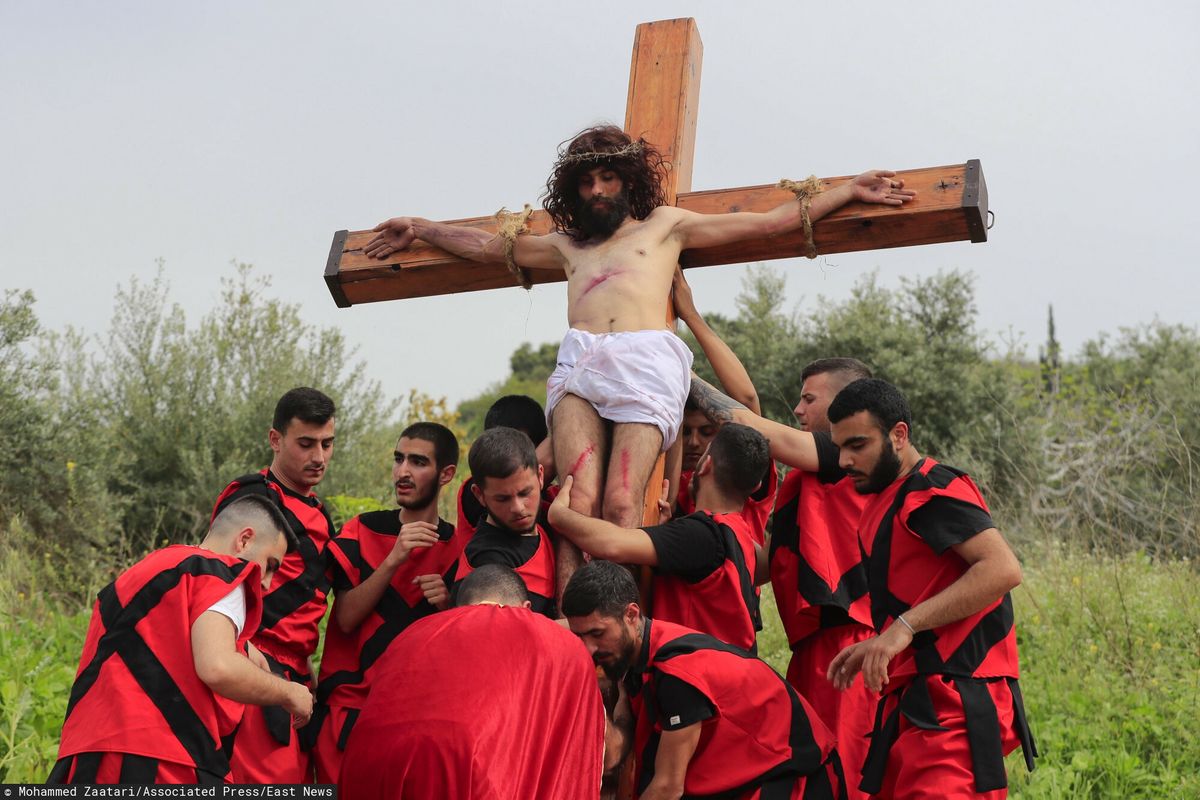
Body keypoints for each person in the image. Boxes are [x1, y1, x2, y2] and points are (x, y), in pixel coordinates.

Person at [366, 124, 916, 559]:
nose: (598, 189)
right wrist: (421, 227)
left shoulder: (666, 227)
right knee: (576, 500)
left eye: (608, 177)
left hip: (645, 362)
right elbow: (490, 249)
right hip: (581, 364)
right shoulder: (567, 246)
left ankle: (611, 626)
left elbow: (769, 223)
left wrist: (847, 191)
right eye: (586, 182)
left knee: (622, 501)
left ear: (627, 179)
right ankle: (570, 626)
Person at [825, 379, 1036, 798]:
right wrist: (879, 640)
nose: (845, 460)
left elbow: (1003, 568)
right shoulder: (887, 499)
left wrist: (902, 627)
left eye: (858, 445)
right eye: (840, 448)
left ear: (899, 435)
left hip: (957, 700)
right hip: (915, 702)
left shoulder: (931, 490)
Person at [49, 495, 313, 785]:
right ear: (245, 541)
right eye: (271, 564)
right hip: (165, 760)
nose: (266, 582)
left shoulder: (142, 573)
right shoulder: (222, 572)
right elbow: (218, 667)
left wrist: (244, 647)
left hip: (83, 757)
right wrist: (290, 693)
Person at [563, 560, 842, 800]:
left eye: (597, 634)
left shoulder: (677, 674)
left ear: (631, 615)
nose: (588, 649)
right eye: (579, 637)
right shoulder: (638, 652)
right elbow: (619, 750)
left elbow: (667, 788)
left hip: (796, 778)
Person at [338, 572, 605, 799]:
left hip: (365, 766)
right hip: (464, 769)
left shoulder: (412, 633)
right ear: (525, 608)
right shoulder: (546, 636)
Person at [310, 422, 461, 785]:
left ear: (446, 474)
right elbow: (345, 619)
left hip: (421, 724)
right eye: (399, 459)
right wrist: (393, 558)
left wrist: (448, 606)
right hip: (349, 717)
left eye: (418, 461)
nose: (403, 471)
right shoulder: (361, 530)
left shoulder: (460, 549)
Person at [210, 386, 337, 783]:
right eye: (306, 443)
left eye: (327, 444)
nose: (318, 457)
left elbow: (310, 611)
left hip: (296, 681)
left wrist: (310, 675)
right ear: (275, 440)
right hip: (251, 670)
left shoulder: (321, 515)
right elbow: (215, 589)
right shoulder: (250, 501)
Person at [549, 424, 767, 652]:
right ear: (756, 486)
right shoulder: (740, 536)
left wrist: (560, 516)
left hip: (696, 674)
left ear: (707, 465)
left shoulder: (701, 533)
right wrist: (664, 533)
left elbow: (613, 544)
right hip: (723, 671)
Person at [670, 268, 777, 545]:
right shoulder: (664, 473)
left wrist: (690, 316)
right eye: (685, 432)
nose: (694, 442)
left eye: (706, 431)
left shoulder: (739, 474)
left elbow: (747, 403)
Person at [453, 427, 557, 617]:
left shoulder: (548, 516)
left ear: (540, 476)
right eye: (502, 499)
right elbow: (506, 631)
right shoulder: (487, 558)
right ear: (479, 495)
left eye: (525, 493)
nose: (518, 508)